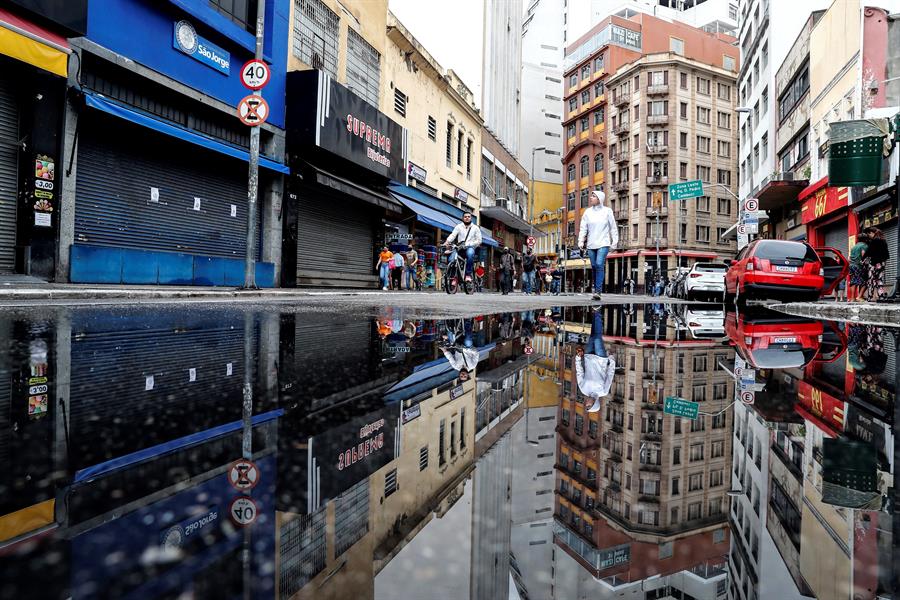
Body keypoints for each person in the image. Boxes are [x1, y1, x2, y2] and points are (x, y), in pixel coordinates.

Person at [578, 189, 619, 301]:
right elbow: (583, 228)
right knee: (594, 266)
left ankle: (598, 291)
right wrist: (580, 241)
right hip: (591, 244)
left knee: (599, 264)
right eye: (591, 196)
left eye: (593, 196)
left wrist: (614, 242)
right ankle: (595, 289)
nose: (591, 198)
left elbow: (613, 227)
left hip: (603, 243)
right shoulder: (588, 212)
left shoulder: (607, 211)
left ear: (600, 199)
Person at [575, 308, 616, 411]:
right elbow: (610, 374)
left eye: (586, 406)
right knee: (597, 338)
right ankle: (597, 312)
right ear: (594, 403)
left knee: (592, 336)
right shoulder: (603, 391)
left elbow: (579, 372)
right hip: (600, 359)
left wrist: (578, 358)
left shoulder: (583, 389)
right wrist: (611, 359)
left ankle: (595, 313)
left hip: (588, 357)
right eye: (589, 405)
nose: (586, 403)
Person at [444, 212, 482, 282]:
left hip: (470, 247)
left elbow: (479, 240)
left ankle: (468, 274)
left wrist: (469, 244)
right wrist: (447, 242)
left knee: (470, 254)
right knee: (451, 259)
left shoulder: (475, 228)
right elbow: (453, 235)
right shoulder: (459, 226)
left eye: (468, 217)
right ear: (462, 218)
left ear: (471, 218)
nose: (467, 218)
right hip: (459, 247)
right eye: (465, 217)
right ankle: (453, 277)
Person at [862, 227, 889, 301]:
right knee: (879, 279)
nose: (869, 236)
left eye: (869, 234)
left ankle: (870, 297)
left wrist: (863, 259)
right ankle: (881, 296)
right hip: (882, 263)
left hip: (874, 263)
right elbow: (887, 254)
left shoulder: (874, 241)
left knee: (871, 280)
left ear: (871, 233)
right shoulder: (884, 241)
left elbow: (868, 252)